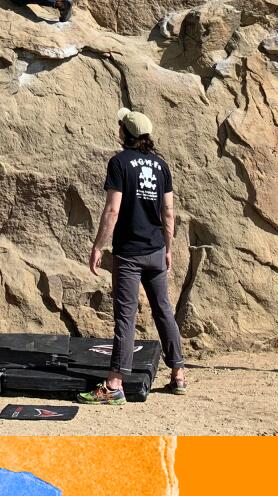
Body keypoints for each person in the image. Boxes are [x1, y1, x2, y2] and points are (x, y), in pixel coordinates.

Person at [79, 108, 187, 404]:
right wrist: (168, 249)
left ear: (126, 133)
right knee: (163, 310)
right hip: (155, 251)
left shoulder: (119, 163)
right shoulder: (161, 166)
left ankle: (114, 385)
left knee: (125, 318)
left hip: (128, 254)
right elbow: (169, 213)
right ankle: (178, 374)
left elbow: (112, 210)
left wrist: (99, 246)